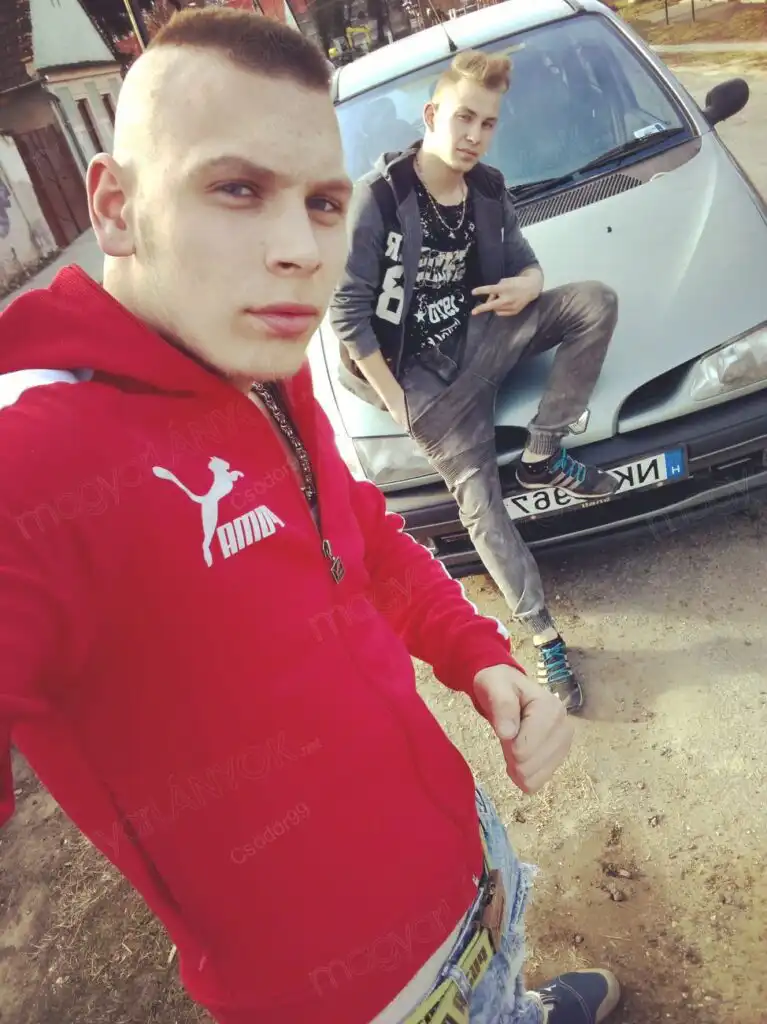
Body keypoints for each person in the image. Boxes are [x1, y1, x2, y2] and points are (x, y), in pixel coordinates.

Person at [0, 11, 619, 1024]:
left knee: (503, 987)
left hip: (464, 861)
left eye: (324, 203)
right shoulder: (33, 459)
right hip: (367, 995)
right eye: (236, 189)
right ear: (113, 207)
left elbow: (359, 535)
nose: (299, 250)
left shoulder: (257, 368)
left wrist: (478, 656)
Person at [330, 51, 620, 714]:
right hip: (423, 382)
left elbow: (526, 263)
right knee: (482, 508)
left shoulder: (487, 188)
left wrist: (529, 285)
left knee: (594, 301)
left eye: (487, 123)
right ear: (433, 114)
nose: (473, 135)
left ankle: (543, 453)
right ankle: (544, 636)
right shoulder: (380, 197)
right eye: (463, 117)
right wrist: (397, 402)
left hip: (486, 334)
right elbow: (346, 313)